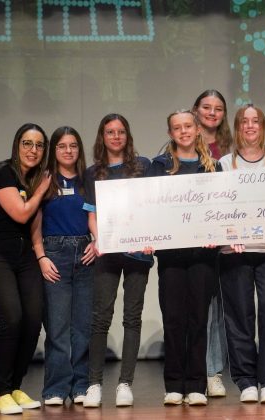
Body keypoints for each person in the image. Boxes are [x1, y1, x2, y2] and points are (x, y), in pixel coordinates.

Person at [0, 123, 51, 415]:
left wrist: (40, 255)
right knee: (12, 319)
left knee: (33, 319)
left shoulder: (35, 180)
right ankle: (1, 392)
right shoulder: (2, 172)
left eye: (39, 145)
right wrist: (41, 189)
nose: (33, 150)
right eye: (27, 143)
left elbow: (34, 225)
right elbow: (20, 212)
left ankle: (15, 386)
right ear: (17, 146)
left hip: (24, 255)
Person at [147, 109, 221, 406]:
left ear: (197, 129)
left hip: (203, 255)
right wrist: (146, 236)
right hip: (171, 256)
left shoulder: (212, 166)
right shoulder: (159, 166)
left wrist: (218, 233)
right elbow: (148, 207)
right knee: (174, 319)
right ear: (170, 133)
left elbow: (221, 208)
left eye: (188, 126)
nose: (184, 132)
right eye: (177, 128)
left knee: (199, 319)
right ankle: (174, 384)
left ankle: (197, 385)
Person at [220, 104, 265, 404]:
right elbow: (219, 208)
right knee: (239, 315)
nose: (250, 126)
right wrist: (231, 234)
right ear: (237, 127)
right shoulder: (225, 164)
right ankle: (246, 381)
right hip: (234, 249)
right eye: (244, 121)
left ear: (262, 127)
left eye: (256, 121)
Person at [82, 114, 152, 408]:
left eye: (121, 131)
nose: (116, 136)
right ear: (102, 136)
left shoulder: (142, 166)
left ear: (127, 135)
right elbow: (92, 215)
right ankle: (94, 384)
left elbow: (153, 206)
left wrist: (151, 236)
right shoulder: (93, 173)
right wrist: (99, 240)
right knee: (101, 317)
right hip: (108, 254)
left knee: (132, 317)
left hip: (138, 253)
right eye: (110, 132)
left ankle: (125, 384)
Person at [30, 126, 95, 406]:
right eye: (62, 146)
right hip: (54, 253)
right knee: (57, 327)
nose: (68, 151)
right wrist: (41, 257)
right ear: (53, 150)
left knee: (82, 326)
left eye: (73, 145)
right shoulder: (45, 180)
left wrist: (98, 241)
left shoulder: (88, 180)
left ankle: (80, 386)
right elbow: (34, 221)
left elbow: (98, 216)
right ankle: (55, 388)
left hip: (85, 254)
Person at [191, 89, 233, 396]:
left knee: (218, 305)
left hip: (225, 234)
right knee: (195, 305)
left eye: (218, 108)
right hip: (190, 235)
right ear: (196, 110)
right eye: (206, 107)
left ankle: (213, 372)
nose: (212, 113)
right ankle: (195, 370)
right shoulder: (180, 145)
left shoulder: (231, 148)